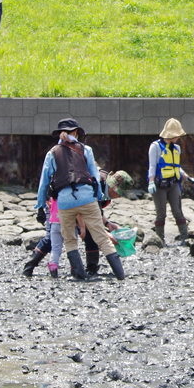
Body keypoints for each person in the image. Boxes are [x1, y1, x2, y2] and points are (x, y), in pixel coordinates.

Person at [34, 118, 125, 281]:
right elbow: (95, 177)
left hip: (64, 202)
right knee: (102, 238)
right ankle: (120, 275)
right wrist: (97, 198)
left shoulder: (52, 153)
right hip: (87, 199)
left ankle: (80, 276)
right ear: (76, 133)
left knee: (70, 240)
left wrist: (40, 206)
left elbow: (44, 183)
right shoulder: (86, 149)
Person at [147, 118, 191, 245]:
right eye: (177, 134)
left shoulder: (176, 148)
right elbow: (152, 166)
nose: (178, 137)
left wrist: (187, 177)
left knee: (178, 211)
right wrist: (151, 182)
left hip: (173, 184)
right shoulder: (155, 147)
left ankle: (185, 237)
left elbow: (177, 167)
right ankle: (160, 239)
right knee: (161, 213)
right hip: (159, 185)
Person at [22, 197, 62, 278]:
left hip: (70, 202)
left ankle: (85, 268)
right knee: (50, 239)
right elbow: (42, 188)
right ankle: (30, 265)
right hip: (52, 203)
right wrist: (40, 207)